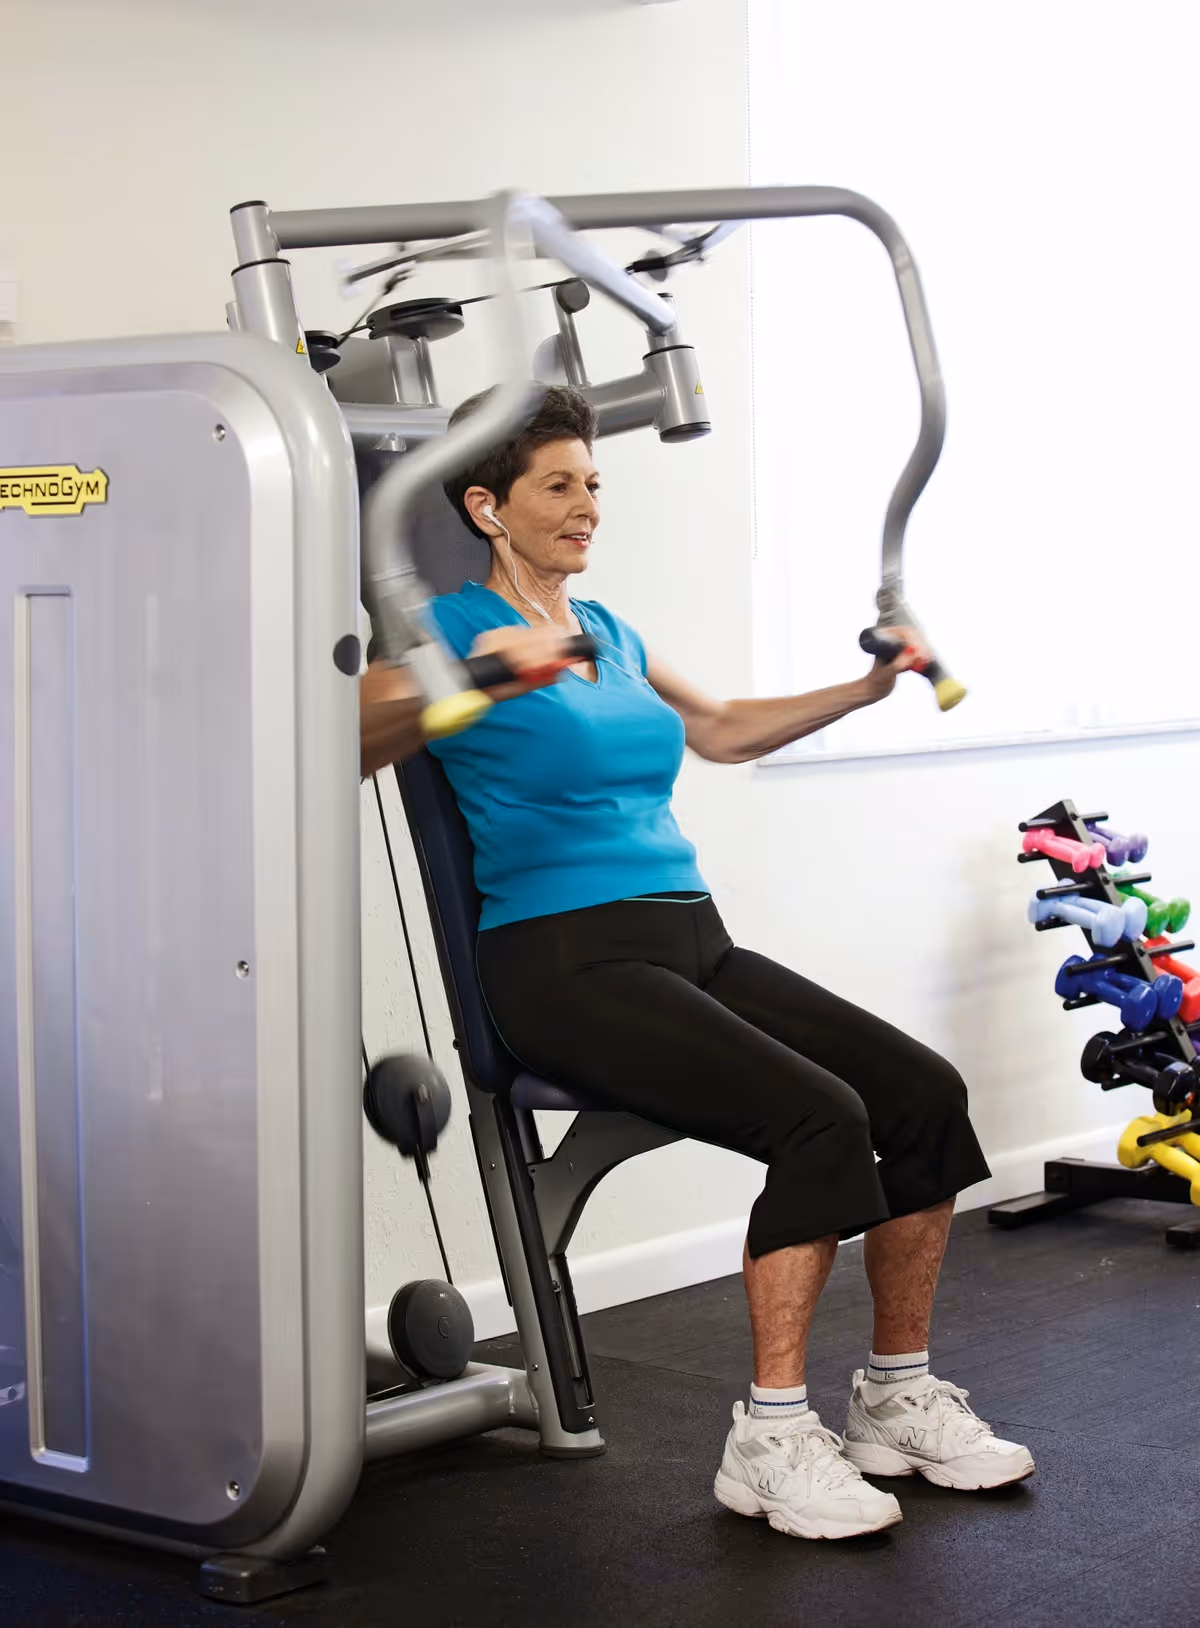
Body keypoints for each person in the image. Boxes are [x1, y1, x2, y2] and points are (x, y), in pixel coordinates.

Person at [422, 384, 1034, 1542]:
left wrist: (867, 685)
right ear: (486, 505)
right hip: (558, 961)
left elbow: (723, 730)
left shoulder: (609, 634)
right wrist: (476, 681)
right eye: (560, 483)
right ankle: (768, 1435)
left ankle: (895, 1395)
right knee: (819, 1116)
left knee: (921, 1094)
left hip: (686, 936)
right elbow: (355, 724)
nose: (588, 503)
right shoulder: (453, 629)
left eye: (594, 482)